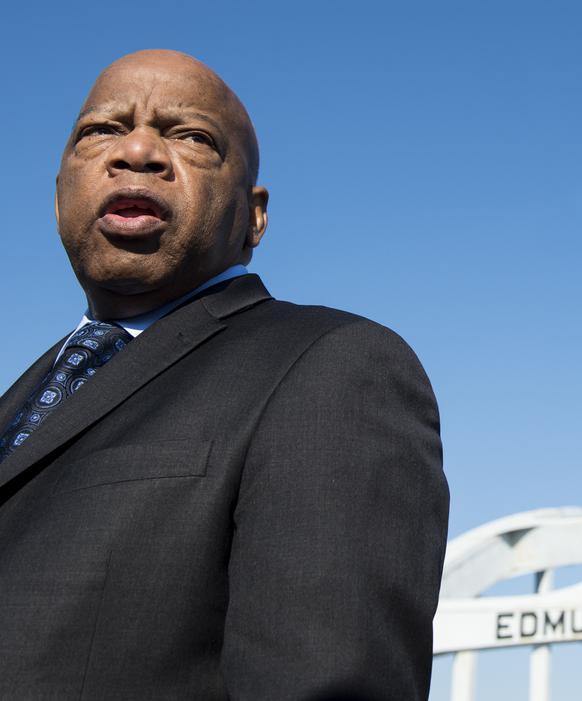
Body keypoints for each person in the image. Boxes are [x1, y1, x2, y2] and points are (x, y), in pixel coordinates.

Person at [0, 49, 449, 700]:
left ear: (255, 214)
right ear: (59, 190)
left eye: (191, 137)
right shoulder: (25, 399)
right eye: (102, 130)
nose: (138, 152)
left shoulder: (333, 365)